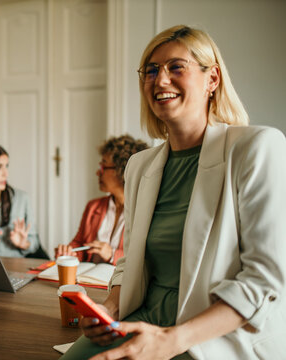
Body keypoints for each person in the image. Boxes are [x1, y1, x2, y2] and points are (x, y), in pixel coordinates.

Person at [61, 25, 286, 359]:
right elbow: (130, 260)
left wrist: (172, 340)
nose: (160, 80)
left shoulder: (257, 147)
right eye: (150, 71)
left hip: (215, 334)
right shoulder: (139, 165)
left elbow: (263, 279)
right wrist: (109, 308)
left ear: (213, 80)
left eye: (176, 67)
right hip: (143, 319)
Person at [54, 135, 148, 265]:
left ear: (123, 170)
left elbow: (147, 257)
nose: (98, 173)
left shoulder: (146, 211)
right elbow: (79, 243)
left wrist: (112, 254)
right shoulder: (93, 206)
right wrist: (71, 253)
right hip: (88, 279)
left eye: (103, 166)